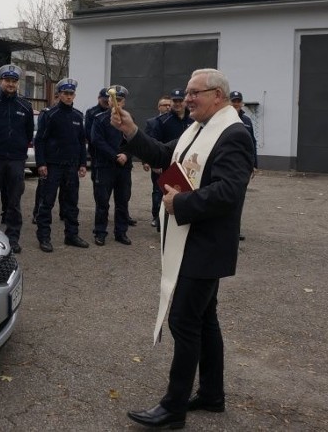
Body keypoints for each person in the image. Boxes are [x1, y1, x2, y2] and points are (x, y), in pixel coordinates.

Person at [111, 68, 253, 429]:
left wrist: (182, 204)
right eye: (187, 93)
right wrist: (129, 129)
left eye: (194, 93)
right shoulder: (197, 129)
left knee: (184, 321)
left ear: (217, 95)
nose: (186, 99)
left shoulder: (233, 133)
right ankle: (211, 394)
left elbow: (230, 191)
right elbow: (162, 155)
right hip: (192, 240)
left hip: (205, 244)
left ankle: (174, 408)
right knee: (205, 320)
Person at [33, 78, 88, 252]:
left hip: (71, 166)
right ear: (59, 94)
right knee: (47, 203)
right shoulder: (49, 114)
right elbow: (40, 140)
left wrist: (82, 163)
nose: (68, 97)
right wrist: (41, 163)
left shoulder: (78, 116)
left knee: (72, 203)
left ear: (74, 95)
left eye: (71, 94)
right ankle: (44, 238)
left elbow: (81, 142)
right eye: (65, 93)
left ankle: (71, 235)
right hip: (52, 166)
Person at [0, 64, 34, 254]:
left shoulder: (25, 106)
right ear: (1, 81)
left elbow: (28, 133)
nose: (11, 84)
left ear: (17, 83)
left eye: (14, 81)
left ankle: (13, 238)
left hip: (15, 160)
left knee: (13, 202)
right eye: (7, 81)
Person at [90, 85, 133, 246]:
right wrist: (115, 156)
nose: (116, 102)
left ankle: (121, 233)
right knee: (102, 202)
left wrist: (126, 155)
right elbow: (97, 141)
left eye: (120, 100)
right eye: (114, 99)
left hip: (124, 168)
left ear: (123, 102)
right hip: (105, 166)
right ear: (108, 100)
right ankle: (100, 232)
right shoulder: (99, 119)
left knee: (122, 202)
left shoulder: (129, 119)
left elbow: (134, 140)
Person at [146, 89, 194, 230]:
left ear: (185, 101)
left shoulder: (193, 120)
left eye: (180, 100)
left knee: (185, 194)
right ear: (171, 103)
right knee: (163, 195)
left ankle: (182, 223)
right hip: (167, 166)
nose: (178, 103)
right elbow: (156, 143)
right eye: (175, 101)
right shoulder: (162, 121)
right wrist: (155, 163)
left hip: (187, 164)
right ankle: (161, 223)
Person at [229, 91, 258, 241]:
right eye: (233, 101)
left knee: (239, 198)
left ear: (242, 103)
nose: (235, 104)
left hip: (243, 166)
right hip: (228, 164)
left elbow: (252, 143)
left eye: (238, 101)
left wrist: (254, 164)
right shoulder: (225, 119)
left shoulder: (246, 120)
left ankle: (235, 230)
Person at [143, 96, 173, 229]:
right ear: (158, 107)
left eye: (169, 104)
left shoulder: (175, 122)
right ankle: (156, 216)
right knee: (157, 190)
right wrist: (149, 162)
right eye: (164, 105)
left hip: (173, 163)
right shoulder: (152, 122)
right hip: (158, 163)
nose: (167, 107)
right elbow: (147, 143)